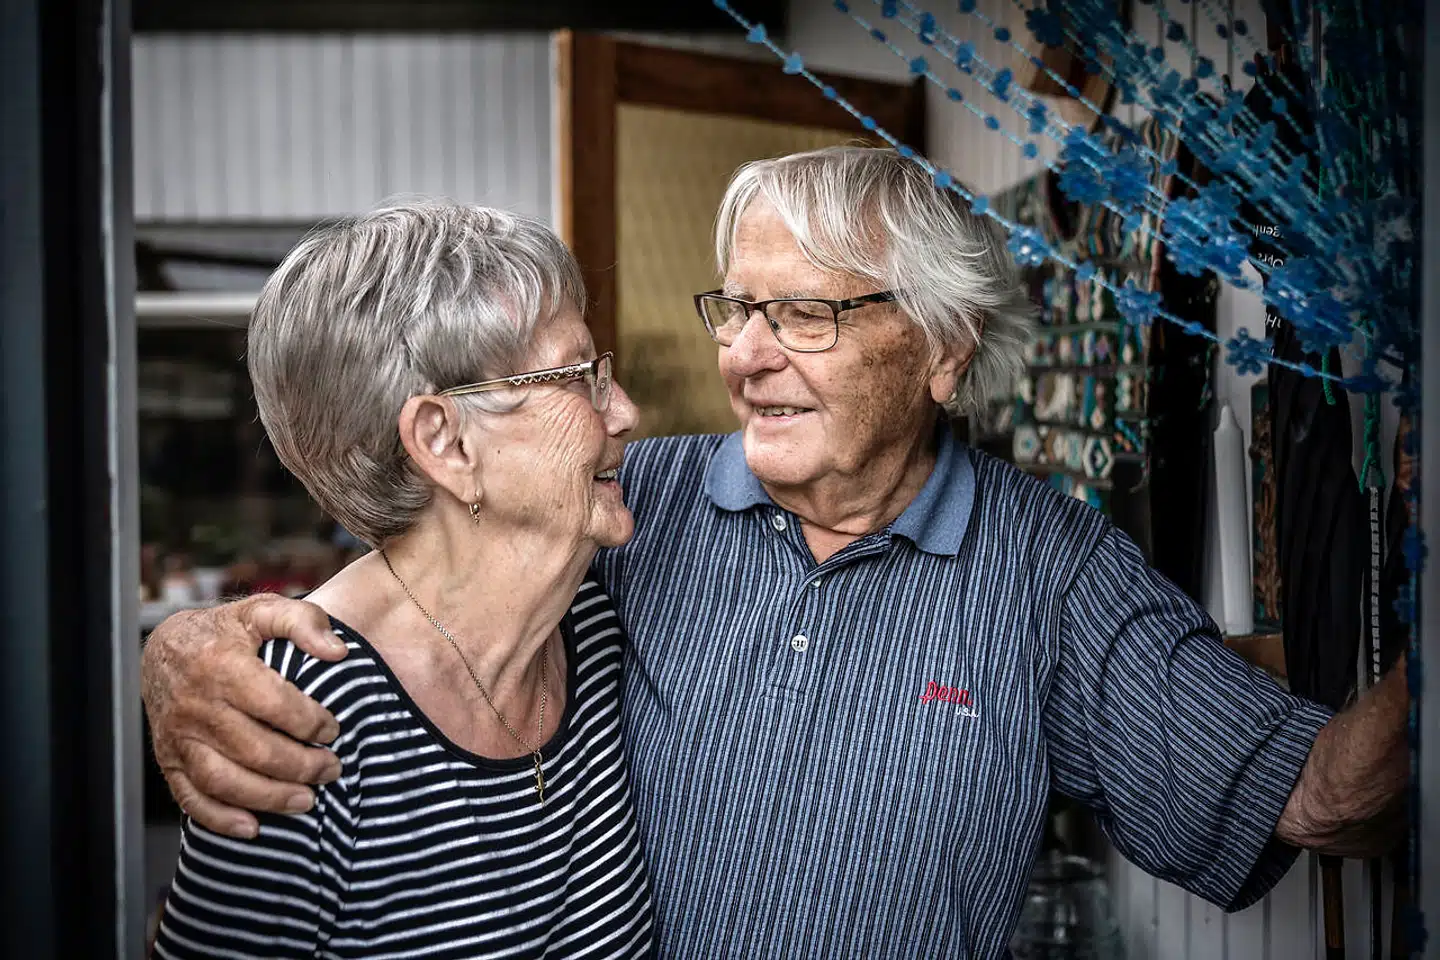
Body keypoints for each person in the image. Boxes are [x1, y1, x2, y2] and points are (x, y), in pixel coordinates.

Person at [142, 147, 1408, 957]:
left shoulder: (1046, 571)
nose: (741, 355)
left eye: (801, 312)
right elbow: (434, 552)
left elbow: (1312, 798)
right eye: (736, 307)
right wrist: (188, 653)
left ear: (942, 348)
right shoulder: (639, 506)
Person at [148, 201, 653, 958]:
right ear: (444, 441)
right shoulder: (302, 711)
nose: (625, 414)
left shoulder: (593, 618)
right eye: (580, 378)